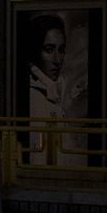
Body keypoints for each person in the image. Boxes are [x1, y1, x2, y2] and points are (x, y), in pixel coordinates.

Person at [27, 13, 87, 165]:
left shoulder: (58, 93)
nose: (57, 60)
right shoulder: (33, 99)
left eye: (61, 50)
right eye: (49, 50)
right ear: (35, 51)